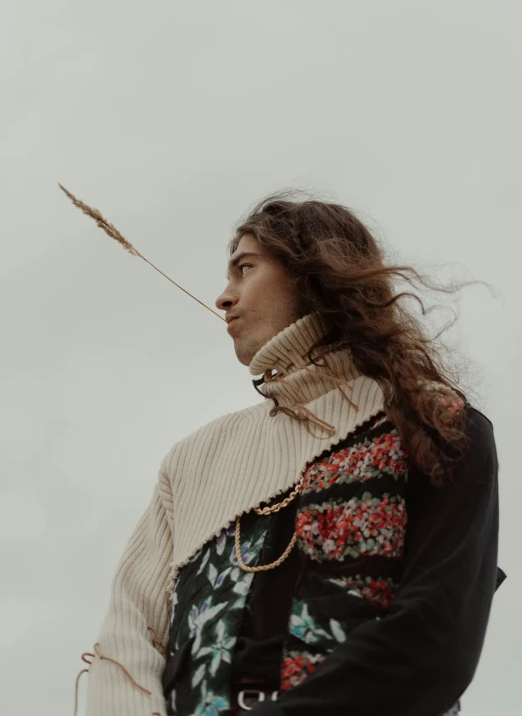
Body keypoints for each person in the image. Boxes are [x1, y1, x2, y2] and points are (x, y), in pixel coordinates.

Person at [79, 193, 505, 716]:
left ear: (315, 274)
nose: (223, 296)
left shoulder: (434, 424)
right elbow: (128, 637)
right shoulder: (192, 462)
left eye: (245, 269)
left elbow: (434, 639)